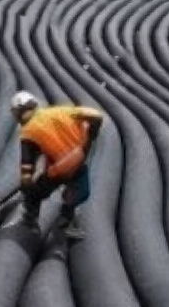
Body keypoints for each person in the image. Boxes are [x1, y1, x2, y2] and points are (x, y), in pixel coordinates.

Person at [11, 90, 104, 240]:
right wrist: (93, 132)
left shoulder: (28, 132)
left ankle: (30, 217)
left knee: (36, 192)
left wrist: (26, 182)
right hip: (77, 161)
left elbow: (27, 163)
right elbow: (95, 115)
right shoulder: (61, 112)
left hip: (56, 169)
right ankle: (65, 221)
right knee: (80, 192)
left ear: (19, 112)